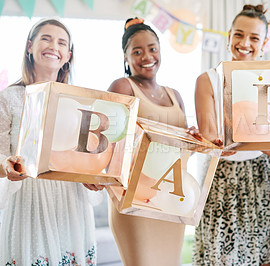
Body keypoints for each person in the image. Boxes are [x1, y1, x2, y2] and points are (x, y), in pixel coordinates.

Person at [0, 18, 102, 265]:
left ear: (68, 55)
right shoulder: (9, 98)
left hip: (71, 203)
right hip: (29, 202)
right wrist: (7, 167)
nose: (53, 46)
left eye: (61, 42)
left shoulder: (80, 100)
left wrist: (94, 177)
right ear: (29, 46)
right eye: (46, 38)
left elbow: (89, 155)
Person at [193, 5, 270, 266]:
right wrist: (260, 143)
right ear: (228, 36)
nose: (245, 43)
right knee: (223, 257)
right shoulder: (208, 81)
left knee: (265, 255)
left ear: (265, 43)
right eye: (239, 34)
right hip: (222, 178)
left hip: (262, 175)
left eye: (254, 38)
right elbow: (212, 139)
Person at [107, 18, 189, 266]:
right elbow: (109, 142)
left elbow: (182, 151)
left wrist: (194, 140)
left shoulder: (175, 95)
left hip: (172, 198)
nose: (147, 56)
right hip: (136, 201)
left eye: (153, 48)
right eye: (137, 51)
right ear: (126, 57)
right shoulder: (123, 87)